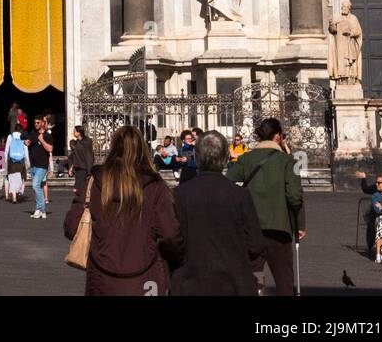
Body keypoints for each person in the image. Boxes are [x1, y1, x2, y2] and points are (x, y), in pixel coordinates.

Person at [64, 125, 183, 297]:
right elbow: (170, 234)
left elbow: (71, 227)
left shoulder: (94, 184)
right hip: (146, 277)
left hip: (102, 276)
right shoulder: (155, 187)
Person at [172, 131, 265, 296]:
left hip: (191, 282)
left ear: (197, 157)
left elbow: (172, 240)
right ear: (225, 158)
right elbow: (255, 244)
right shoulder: (239, 195)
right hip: (232, 282)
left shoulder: (179, 195)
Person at [228, 117, 304, 297]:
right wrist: (300, 224)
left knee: (254, 274)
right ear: (278, 136)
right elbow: (295, 197)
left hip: (251, 227)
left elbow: (228, 180)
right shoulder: (289, 161)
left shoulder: (246, 158)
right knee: (283, 278)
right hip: (279, 228)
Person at [25, 115, 53, 220]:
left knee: (35, 185)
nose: (36, 124)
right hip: (33, 165)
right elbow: (29, 142)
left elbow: (50, 149)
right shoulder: (33, 133)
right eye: (35, 122)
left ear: (42, 123)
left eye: (38, 122)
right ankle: (40, 210)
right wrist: (26, 142)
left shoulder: (47, 135)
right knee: (38, 188)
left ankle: (41, 209)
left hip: (42, 165)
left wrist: (42, 140)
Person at [68, 125, 95, 195]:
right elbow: (74, 156)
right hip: (77, 167)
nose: (73, 133)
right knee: (81, 188)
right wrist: (71, 167)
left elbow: (89, 156)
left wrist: (90, 170)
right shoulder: (76, 143)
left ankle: (80, 202)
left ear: (79, 132)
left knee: (76, 189)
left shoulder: (87, 142)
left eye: (74, 131)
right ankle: (82, 202)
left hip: (83, 168)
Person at [4, 127, 29, 201]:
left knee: (12, 178)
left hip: (12, 161)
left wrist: (5, 161)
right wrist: (28, 162)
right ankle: (19, 193)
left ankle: (14, 197)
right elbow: (26, 150)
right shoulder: (23, 137)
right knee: (21, 178)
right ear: (20, 130)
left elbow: (6, 150)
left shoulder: (10, 136)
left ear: (14, 129)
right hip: (21, 161)